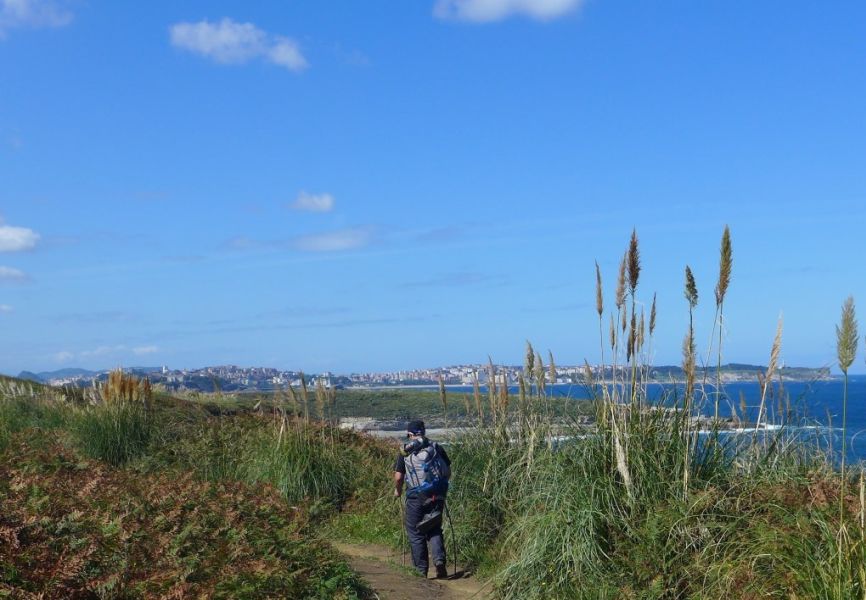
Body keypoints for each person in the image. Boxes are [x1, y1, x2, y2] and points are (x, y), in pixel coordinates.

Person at [393, 419, 451, 579]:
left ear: (410, 434)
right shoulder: (436, 447)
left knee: (415, 533)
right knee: (434, 527)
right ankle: (439, 562)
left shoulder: (405, 451)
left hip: (416, 496)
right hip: (438, 494)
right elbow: (447, 469)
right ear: (423, 432)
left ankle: (421, 571)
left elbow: (398, 478)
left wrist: (397, 492)